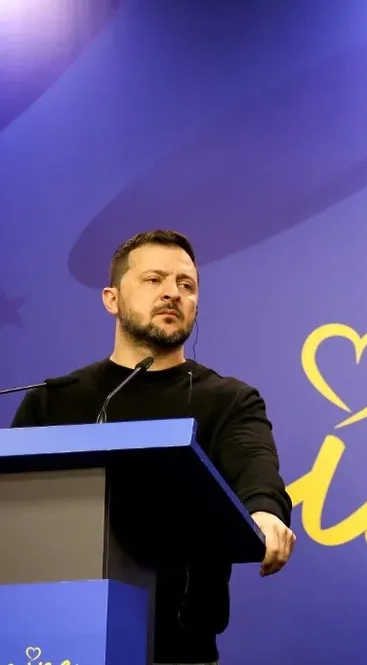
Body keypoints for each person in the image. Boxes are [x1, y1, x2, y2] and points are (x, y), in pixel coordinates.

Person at [10, 229, 295, 665]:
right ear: (111, 299)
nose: (172, 293)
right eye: (153, 279)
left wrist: (266, 514)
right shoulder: (53, 401)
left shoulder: (228, 400)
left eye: (186, 285)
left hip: (178, 648)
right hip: (51, 643)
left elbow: (256, 469)